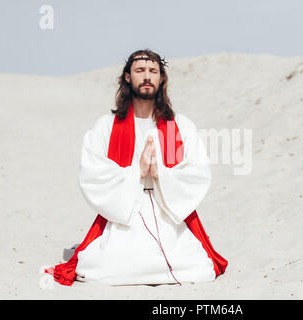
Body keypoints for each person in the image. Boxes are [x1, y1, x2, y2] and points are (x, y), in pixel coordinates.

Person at [45, 49, 228, 286]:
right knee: (101, 270)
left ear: (161, 78)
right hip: (126, 212)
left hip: (168, 212)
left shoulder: (180, 125)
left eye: (153, 71)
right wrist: (136, 172)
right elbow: (92, 173)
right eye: (140, 70)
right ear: (128, 77)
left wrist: (160, 173)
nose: (147, 76)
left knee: (198, 269)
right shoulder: (106, 126)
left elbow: (198, 172)